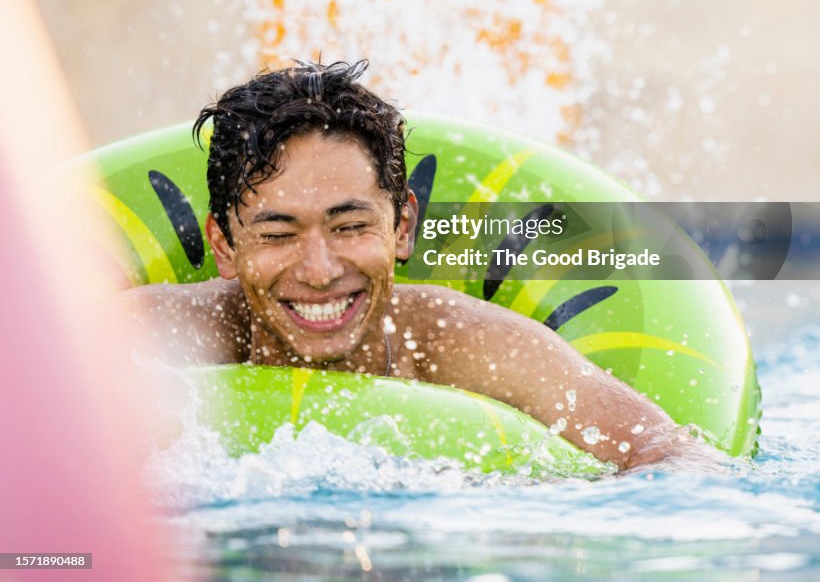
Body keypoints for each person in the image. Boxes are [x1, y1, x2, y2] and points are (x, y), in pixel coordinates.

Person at [117, 59, 713, 471]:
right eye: (278, 233)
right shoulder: (160, 337)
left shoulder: (463, 344)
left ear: (401, 226)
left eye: (350, 227)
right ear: (223, 245)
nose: (320, 269)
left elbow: (670, 455)